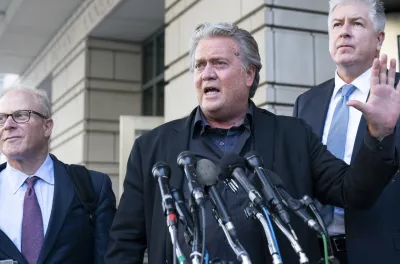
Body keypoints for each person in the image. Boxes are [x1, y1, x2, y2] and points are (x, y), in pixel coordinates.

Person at [105, 22, 400, 264]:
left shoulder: (293, 135)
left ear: (249, 74)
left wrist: (379, 134)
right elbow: (125, 243)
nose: (207, 74)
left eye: (219, 63)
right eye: (200, 66)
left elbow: (353, 191)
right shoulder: (151, 148)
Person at [293, 0, 400, 264]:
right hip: (318, 253)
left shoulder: (397, 91)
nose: (344, 31)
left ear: (379, 39)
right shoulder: (306, 103)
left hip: (383, 251)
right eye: (337, 24)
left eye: (356, 23)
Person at [0, 86, 116, 264]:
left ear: (47, 127)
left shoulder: (92, 186)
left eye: (21, 115)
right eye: (1, 118)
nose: (8, 125)